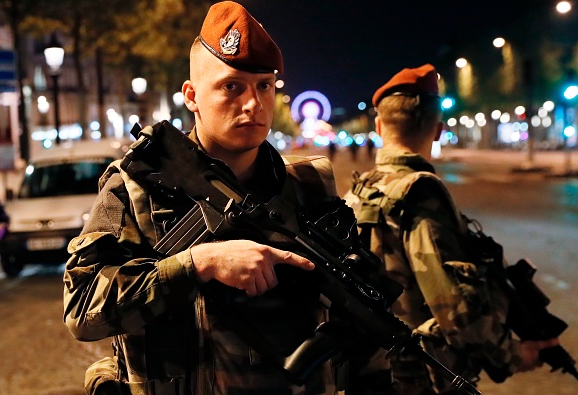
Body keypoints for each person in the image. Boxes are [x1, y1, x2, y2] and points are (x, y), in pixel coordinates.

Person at [63, 2, 399, 394]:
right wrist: (197, 264)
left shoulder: (308, 187)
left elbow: (359, 337)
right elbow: (82, 309)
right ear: (191, 95)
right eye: (231, 87)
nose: (254, 104)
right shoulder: (136, 185)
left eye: (264, 87)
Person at [343, 64, 559, 394]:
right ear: (438, 130)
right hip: (422, 379)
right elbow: (454, 309)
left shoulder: (361, 188)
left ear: (378, 125)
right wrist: (514, 355)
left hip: (373, 370)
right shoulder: (418, 193)